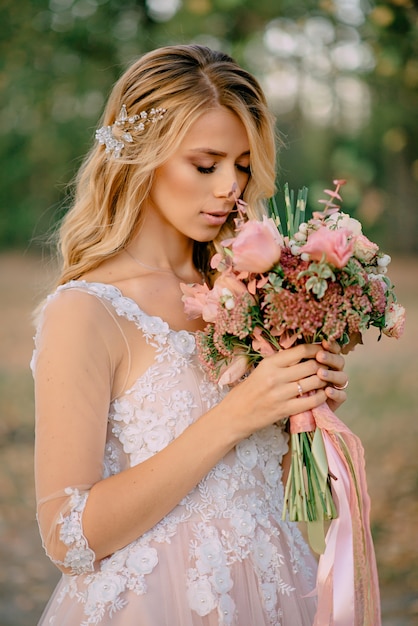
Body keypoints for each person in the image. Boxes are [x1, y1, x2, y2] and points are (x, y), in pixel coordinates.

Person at [32, 44, 349, 626]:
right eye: (206, 165)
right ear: (140, 158)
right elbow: (69, 538)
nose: (231, 186)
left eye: (244, 165)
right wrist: (236, 415)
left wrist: (309, 412)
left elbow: (285, 502)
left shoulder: (258, 293)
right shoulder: (86, 312)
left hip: (279, 590)